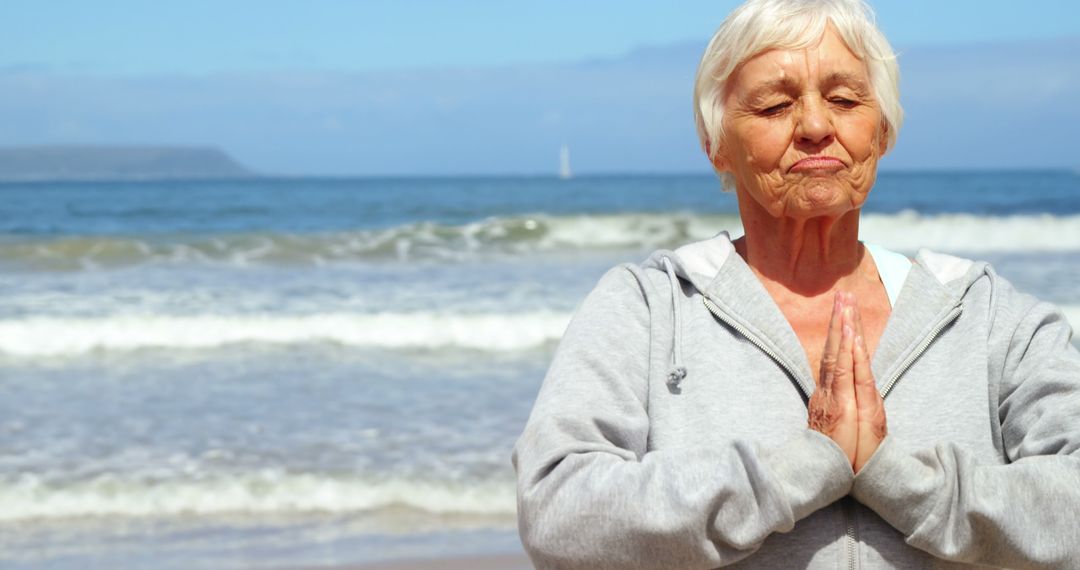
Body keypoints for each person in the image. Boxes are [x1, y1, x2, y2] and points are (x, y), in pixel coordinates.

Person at [512, 0, 1080, 568]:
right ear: (716, 147)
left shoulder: (984, 317)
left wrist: (897, 479)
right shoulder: (649, 308)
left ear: (881, 132)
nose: (814, 126)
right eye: (775, 105)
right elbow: (558, 511)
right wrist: (803, 469)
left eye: (844, 100)